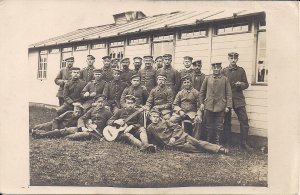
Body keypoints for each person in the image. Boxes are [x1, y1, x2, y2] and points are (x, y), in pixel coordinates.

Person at [147, 109, 228, 154]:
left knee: (197, 142)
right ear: (150, 117)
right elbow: (151, 139)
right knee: (191, 148)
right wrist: (155, 146)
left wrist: (174, 137)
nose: (156, 118)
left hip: (181, 136)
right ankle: (213, 150)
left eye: (157, 117)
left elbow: (177, 127)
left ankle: (219, 149)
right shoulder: (150, 128)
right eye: (153, 117)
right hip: (172, 144)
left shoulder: (165, 122)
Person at [222, 52, 252, 150]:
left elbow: (246, 84)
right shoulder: (224, 71)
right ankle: (227, 141)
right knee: (226, 121)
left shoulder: (241, 70)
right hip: (228, 99)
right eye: (231, 58)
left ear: (237, 59)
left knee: (244, 120)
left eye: (235, 58)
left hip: (238, 98)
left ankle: (243, 143)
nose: (233, 60)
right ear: (228, 59)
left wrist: (241, 84)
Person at [199, 62, 232, 146]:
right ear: (212, 68)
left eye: (218, 68)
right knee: (208, 125)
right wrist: (202, 103)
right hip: (208, 105)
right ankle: (208, 141)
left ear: (220, 68)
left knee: (219, 125)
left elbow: (229, 93)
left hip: (220, 105)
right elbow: (202, 92)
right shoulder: (207, 78)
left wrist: (228, 105)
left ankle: (217, 142)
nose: (216, 69)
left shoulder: (225, 79)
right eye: (214, 68)